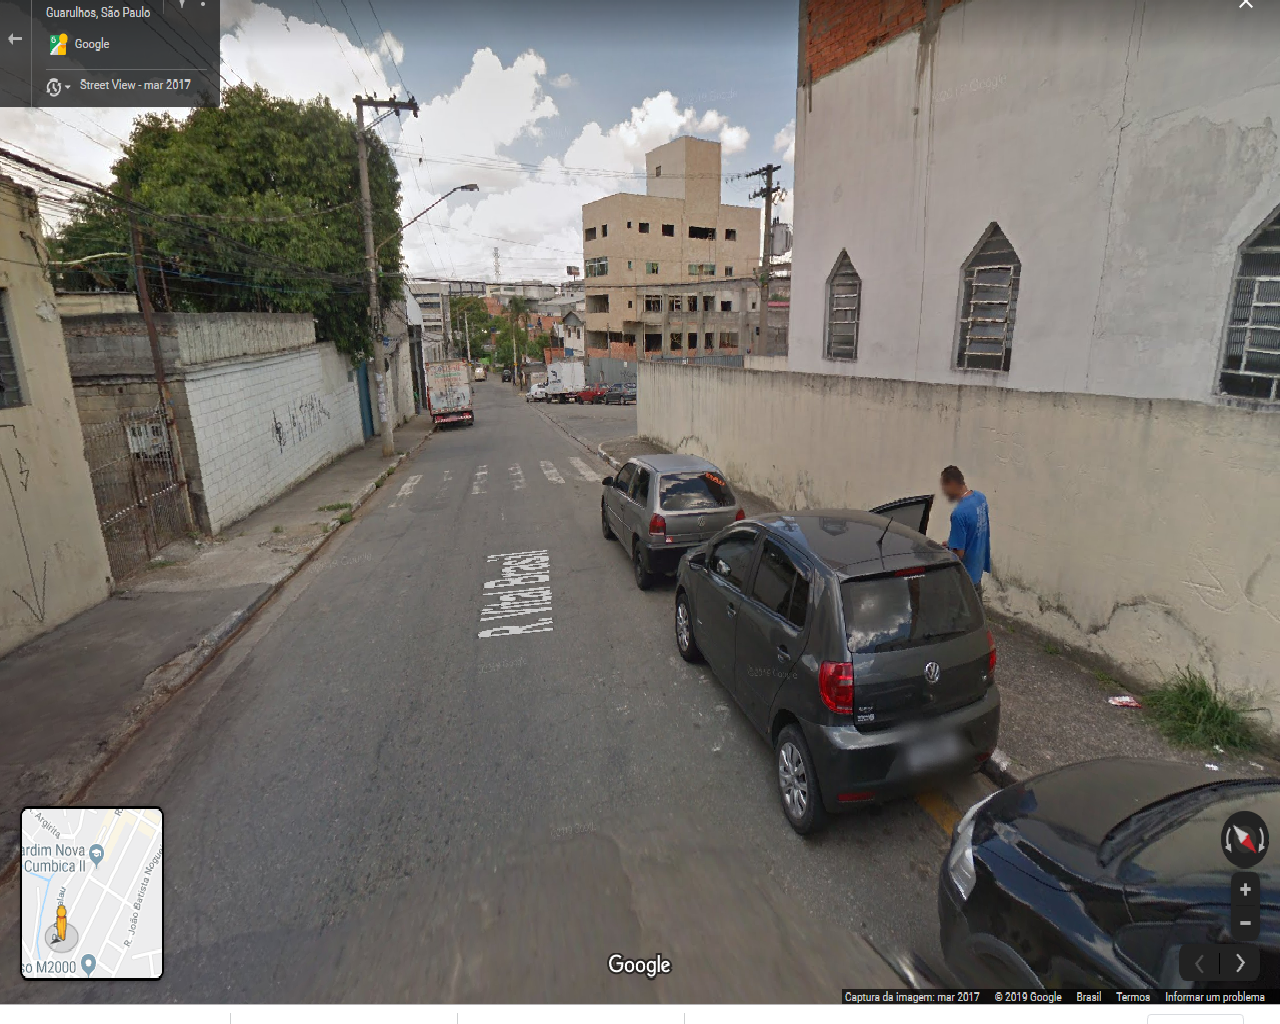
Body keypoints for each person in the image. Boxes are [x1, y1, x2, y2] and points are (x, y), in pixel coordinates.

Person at [940, 465, 991, 602]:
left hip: (965, 577)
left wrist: (947, 551)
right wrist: (952, 543)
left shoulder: (959, 513)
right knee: (977, 610)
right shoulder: (980, 498)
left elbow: (959, 554)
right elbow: (975, 531)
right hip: (977, 570)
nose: (944, 491)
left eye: (944, 486)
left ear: (951, 484)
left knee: (962, 613)